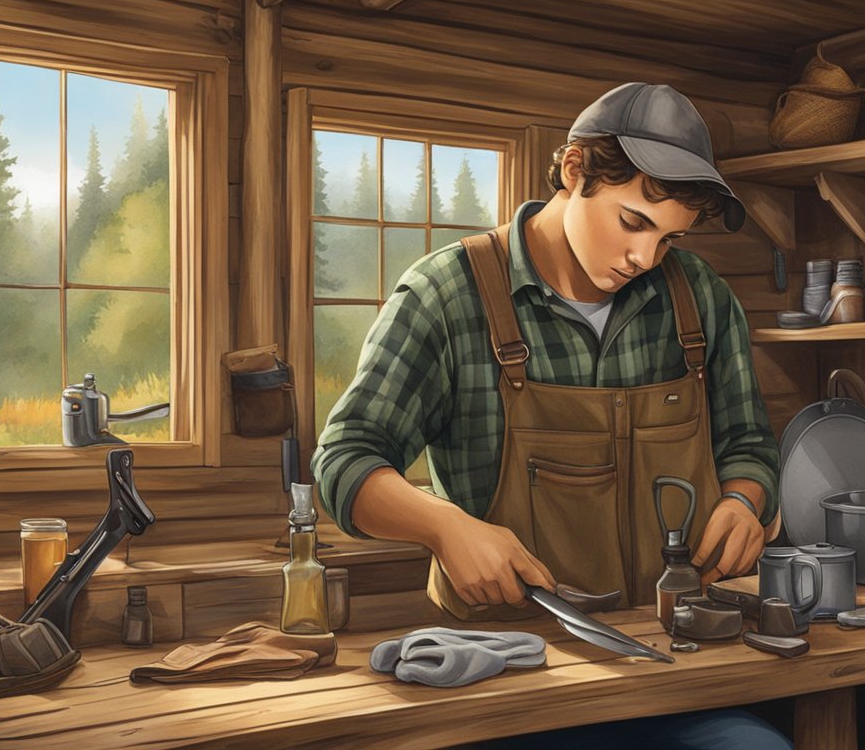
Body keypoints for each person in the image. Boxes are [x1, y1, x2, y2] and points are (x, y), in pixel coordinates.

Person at [313, 82, 788, 748]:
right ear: (574, 170)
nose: (645, 258)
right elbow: (344, 460)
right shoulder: (446, 297)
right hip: (509, 678)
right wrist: (442, 525)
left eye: (670, 240)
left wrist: (744, 500)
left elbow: (748, 444)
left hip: (673, 668)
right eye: (634, 222)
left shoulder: (699, 299)